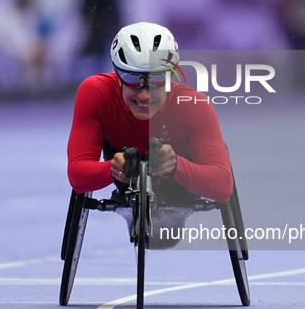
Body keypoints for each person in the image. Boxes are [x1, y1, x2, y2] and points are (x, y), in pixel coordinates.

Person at [67, 22, 233, 210]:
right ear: (117, 73)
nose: (144, 95)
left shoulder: (193, 105)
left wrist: (176, 165)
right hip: (125, 179)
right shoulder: (96, 92)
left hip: (180, 187)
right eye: (131, 78)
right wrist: (112, 168)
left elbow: (223, 187)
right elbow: (77, 176)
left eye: (157, 79)